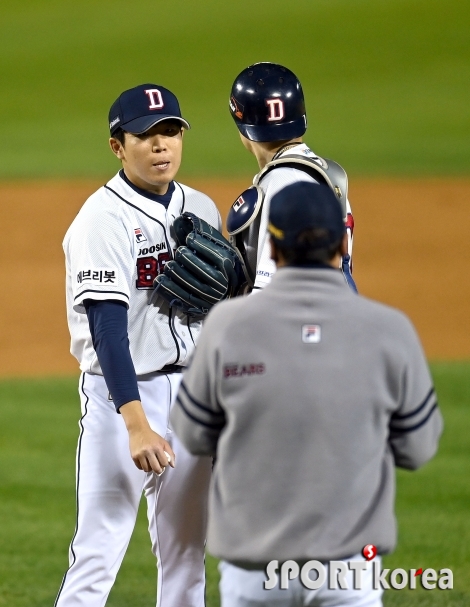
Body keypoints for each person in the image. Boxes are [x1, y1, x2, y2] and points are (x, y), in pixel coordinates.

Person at [170, 181, 443, 607]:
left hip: (253, 572)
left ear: (272, 251)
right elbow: (418, 447)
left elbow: (191, 432)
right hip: (348, 568)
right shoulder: (389, 330)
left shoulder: (227, 326)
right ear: (344, 241)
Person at [55, 84, 221, 607]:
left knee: (186, 555)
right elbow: (107, 331)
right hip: (121, 398)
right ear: (117, 146)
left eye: (170, 131)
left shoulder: (201, 206)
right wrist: (135, 423)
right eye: (145, 135)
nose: (160, 145)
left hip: (191, 393)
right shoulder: (100, 219)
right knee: (98, 553)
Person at [226, 61, 356, 293]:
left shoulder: (281, 184)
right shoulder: (326, 173)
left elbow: (269, 296)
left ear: (243, 126)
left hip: (299, 323)